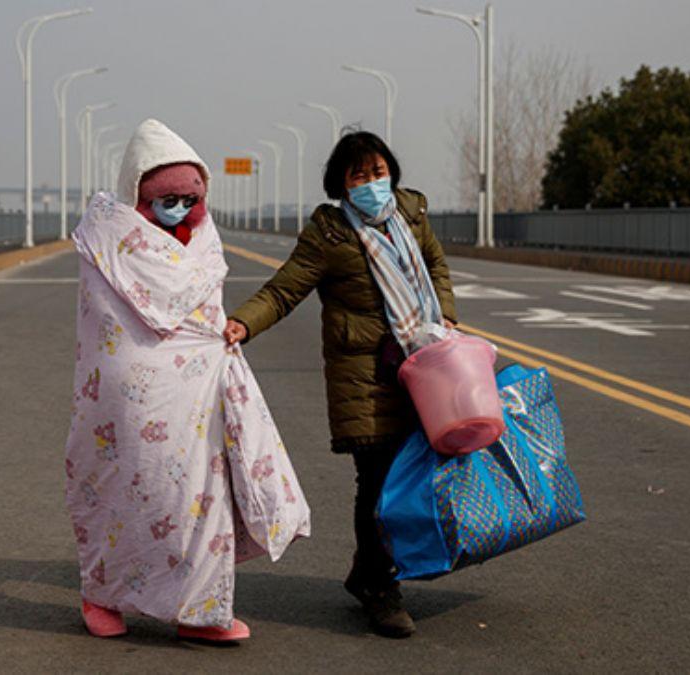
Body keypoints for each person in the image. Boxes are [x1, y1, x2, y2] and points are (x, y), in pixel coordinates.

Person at [65, 119, 311, 643]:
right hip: (124, 402)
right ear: (138, 193)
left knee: (199, 498)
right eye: (164, 198)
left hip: (195, 393)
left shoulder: (204, 238)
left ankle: (199, 611)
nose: (177, 207)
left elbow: (205, 314)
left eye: (187, 197)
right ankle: (102, 594)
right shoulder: (105, 236)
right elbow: (105, 321)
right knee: (121, 491)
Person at [224, 131, 457, 638]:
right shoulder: (330, 235)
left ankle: (368, 571)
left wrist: (449, 318)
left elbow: (435, 265)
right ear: (341, 185)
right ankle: (379, 588)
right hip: (366, 377)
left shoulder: (412, 216)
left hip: (427, 367)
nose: (373, 184)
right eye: (360, 176)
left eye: (378, 172)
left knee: (415, 476)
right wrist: (242, 323)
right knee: (377, 482)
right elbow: (285, 288)